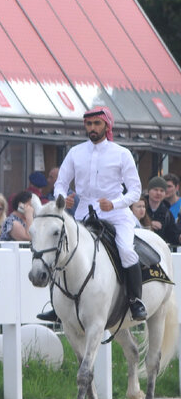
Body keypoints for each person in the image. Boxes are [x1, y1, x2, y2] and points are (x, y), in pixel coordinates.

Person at [41, 107, 146, 321]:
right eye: (88, 124)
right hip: (84, 212)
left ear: (107, 125)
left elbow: (135, 190)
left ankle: (135, 301)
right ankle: (57, 305)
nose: (92, 128)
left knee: (126, 250)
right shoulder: (75, 152)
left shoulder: (121, 153)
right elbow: (60, 184)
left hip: (116, 213)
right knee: (62, 252)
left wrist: (115, 203)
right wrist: (63, 199)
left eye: (96, 124)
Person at [142, 175, 178, 245]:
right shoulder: (138, 206)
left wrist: (178, 238)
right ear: (148, 191)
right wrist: (149, 224)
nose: (158, 193)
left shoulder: (167, 213)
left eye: (162, 191)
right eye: (155, 189)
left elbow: (173, 236)